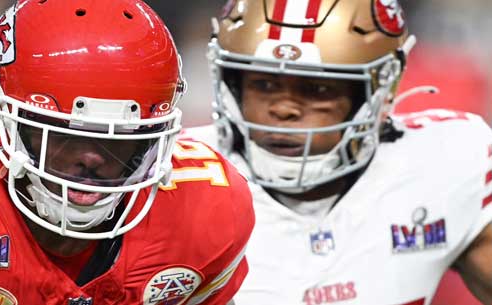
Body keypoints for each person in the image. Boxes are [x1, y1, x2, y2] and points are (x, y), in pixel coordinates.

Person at [0, 1, 255, 304]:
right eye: (66, 135)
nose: (91, 158)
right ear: (7, 124)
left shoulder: (206, 207)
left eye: (120, 138)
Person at [181, 0, 492, 303]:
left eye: (317, 88)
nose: (284, 108)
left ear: (380, 88)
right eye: (263, 84)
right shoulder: (177, 179)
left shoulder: (443, 161)